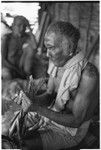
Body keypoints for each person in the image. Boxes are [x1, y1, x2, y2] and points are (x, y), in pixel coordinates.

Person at [14, 21, 99, 150]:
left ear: (69, 48)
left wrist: (37, 109)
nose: (47, 54)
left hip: (69, 132)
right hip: (51, 115)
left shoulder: (88, 75)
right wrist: (31, 99)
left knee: (21, 146)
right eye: (46, 47)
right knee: (9, 129)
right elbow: (49, 95)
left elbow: (77, 121)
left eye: (51, 48)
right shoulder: (55, 62)